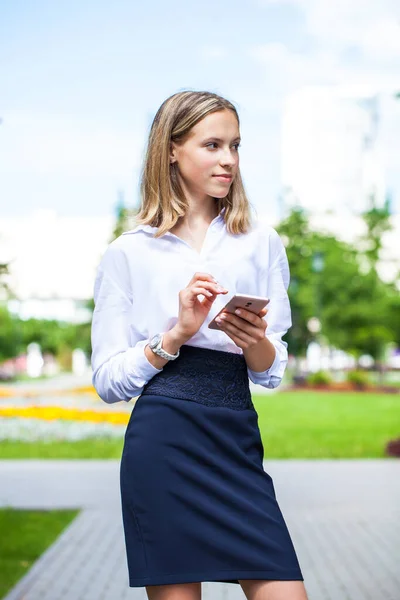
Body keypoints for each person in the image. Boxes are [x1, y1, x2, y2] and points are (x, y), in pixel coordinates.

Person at [91, 90, 308, 600]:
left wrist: (254, 341)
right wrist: (176, 335)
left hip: (235, 438)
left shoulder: (261, 240)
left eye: (235, 146)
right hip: (163, 444)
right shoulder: (127, 253)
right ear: (171, 149)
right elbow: (106, 381)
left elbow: (271, 368)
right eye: (212, 145)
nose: (228, 159)